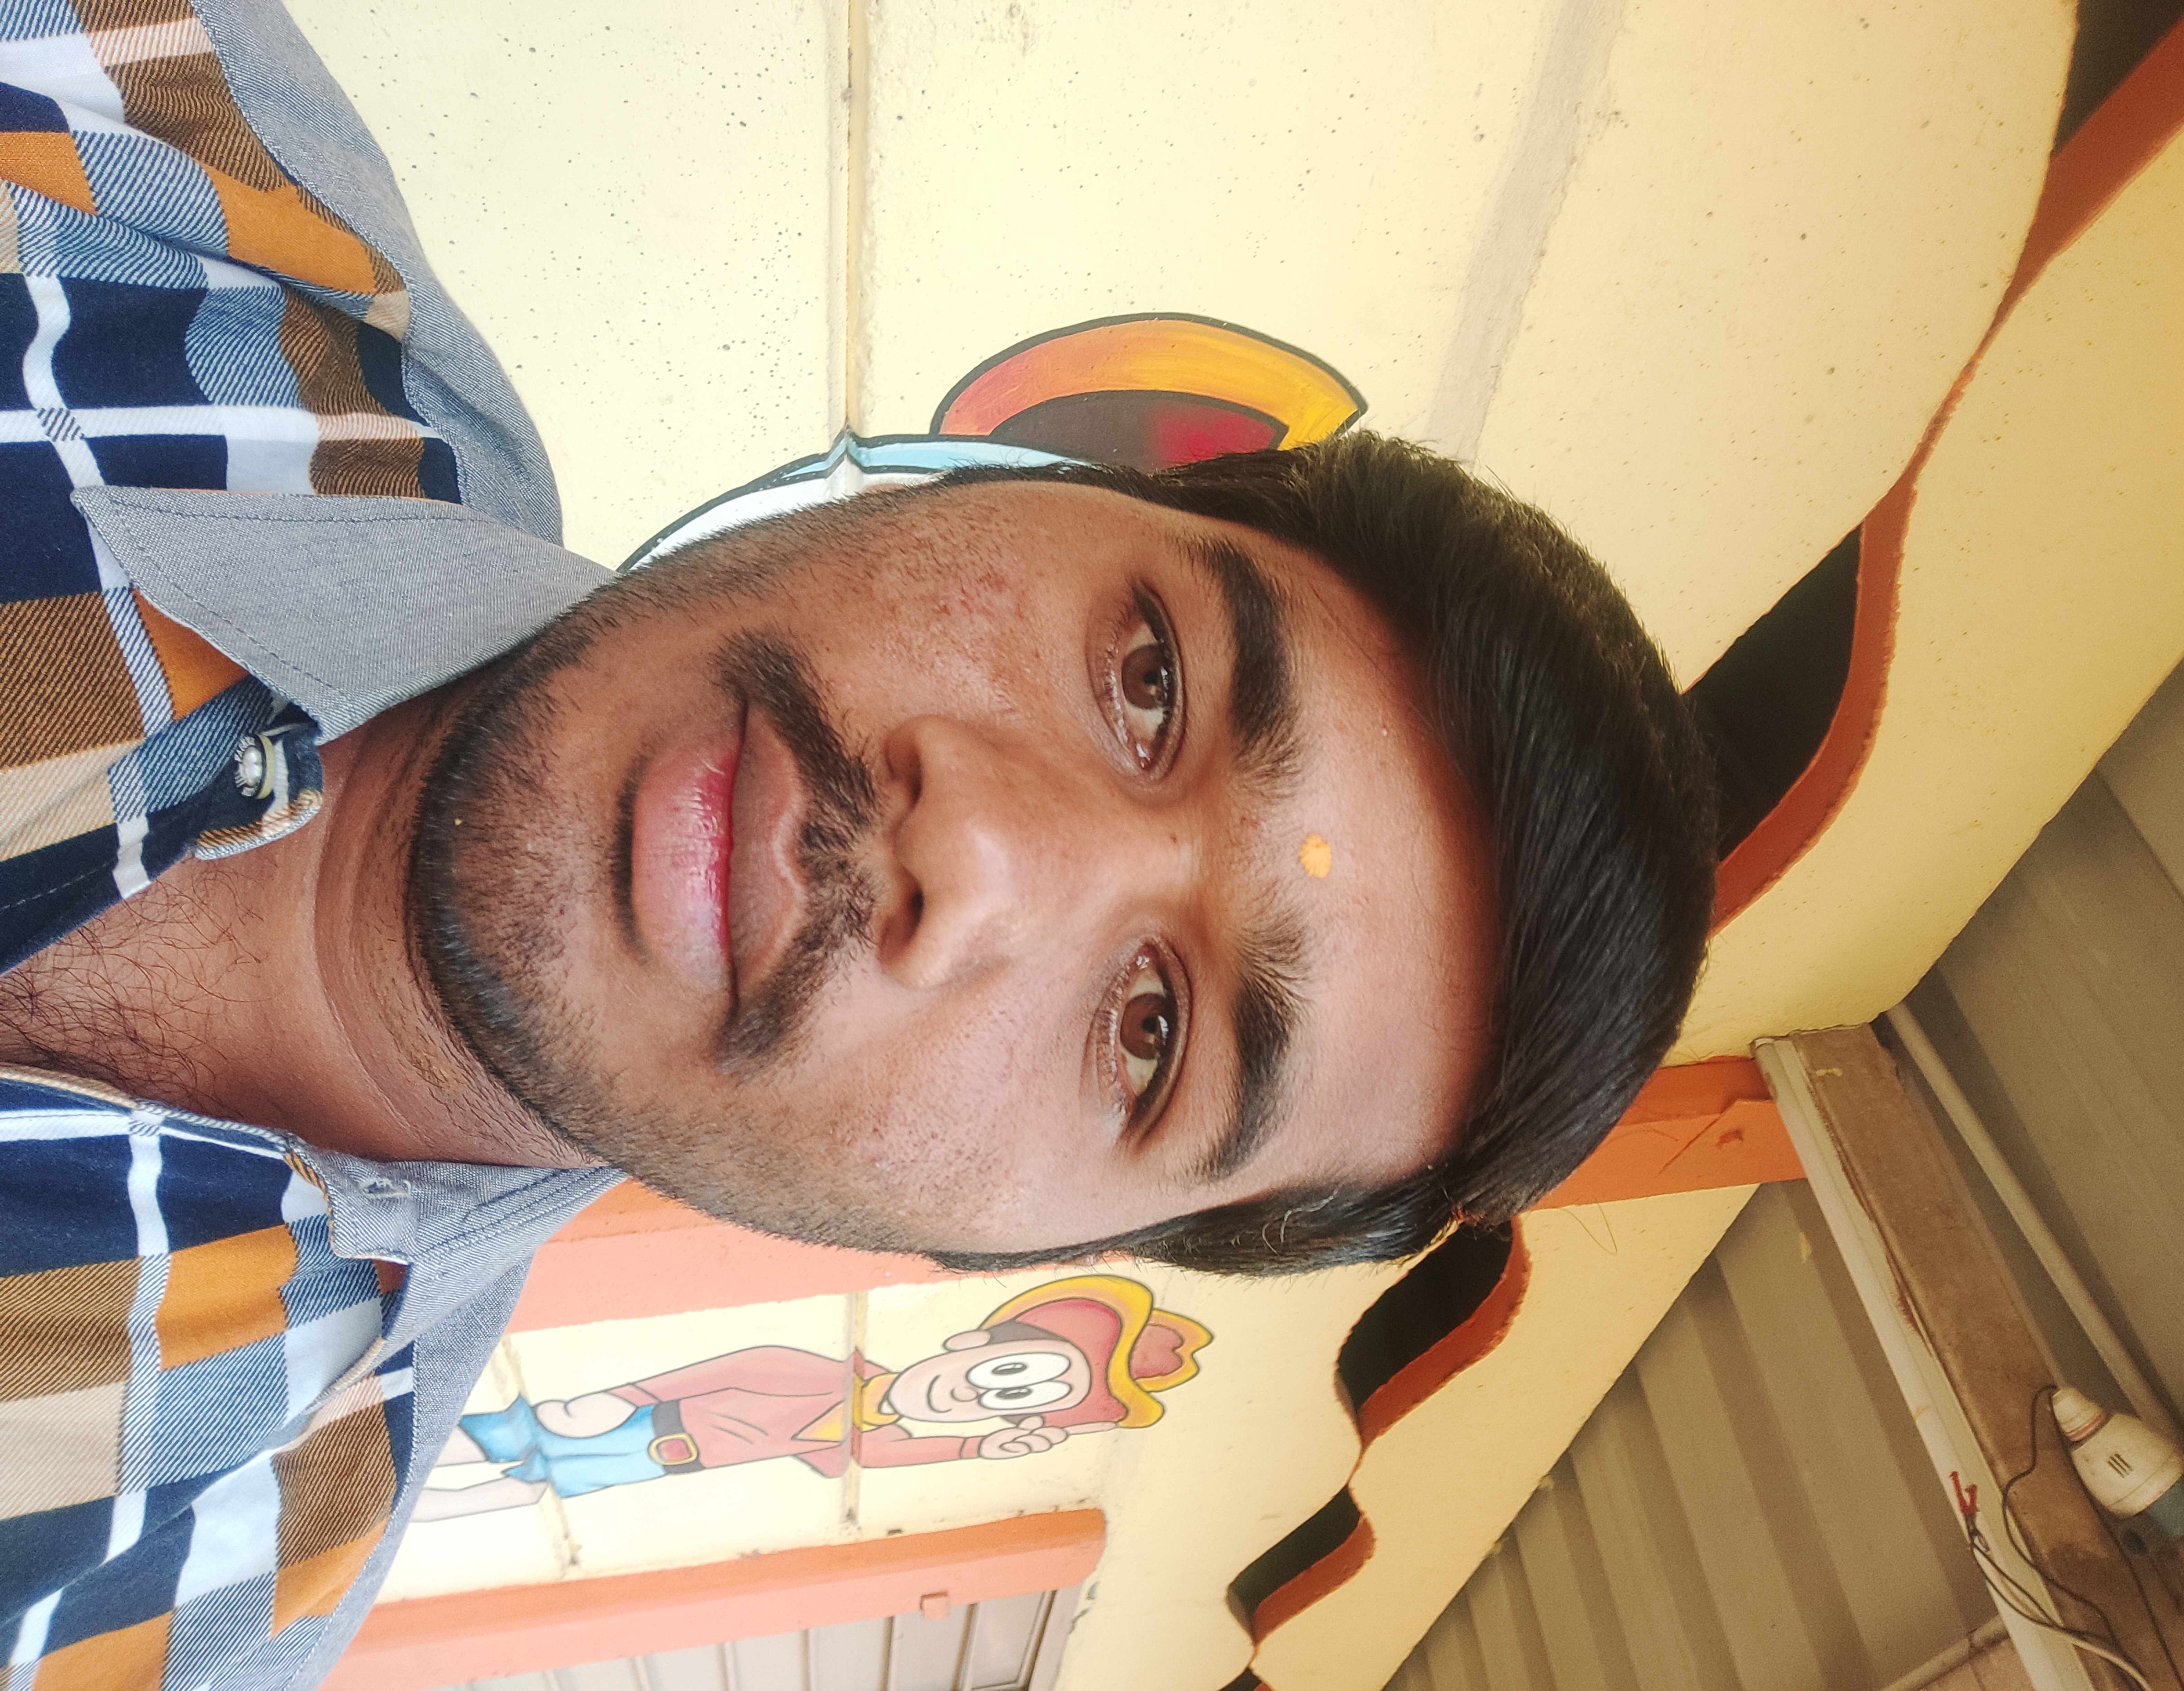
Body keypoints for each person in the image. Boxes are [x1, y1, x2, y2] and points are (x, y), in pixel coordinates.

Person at [0, 0, 1714, 1684]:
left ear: (1009, 1252)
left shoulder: (167, 1601)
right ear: (1013, 485)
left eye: (1151, 1032)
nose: (978, 852)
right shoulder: (156, 161)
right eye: (1151, 680)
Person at [410, 1273, 1211, 1517]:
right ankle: (388, 1462)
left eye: (1005, 1402)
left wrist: (976, 1446)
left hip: (666, 1462)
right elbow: (730, 1366)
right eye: (1000, 1373)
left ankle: (391, 1508)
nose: (970, 1395)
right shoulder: (816, 1372)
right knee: (518, 1436)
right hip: (648, 1419)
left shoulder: (866, 1438)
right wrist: (625, 1393)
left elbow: (892, 1454)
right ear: (971, 1343)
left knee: (531, 1489)